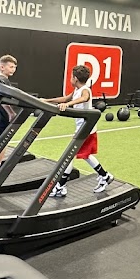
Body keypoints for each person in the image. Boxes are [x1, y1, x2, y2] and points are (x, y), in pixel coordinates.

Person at [40, 65, 113, 196]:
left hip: (85, 129)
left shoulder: (85, 90)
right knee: (84, 155)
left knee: (69, 155)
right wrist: (46, 101)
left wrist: (68, 105)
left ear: (75, 78)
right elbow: (64, 99)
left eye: (71, 77)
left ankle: (61, 186)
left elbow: (84, 98)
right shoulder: (76, 90)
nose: (70, 79)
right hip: (84, 128)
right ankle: (104, 176)